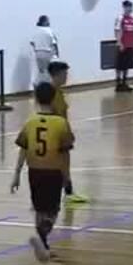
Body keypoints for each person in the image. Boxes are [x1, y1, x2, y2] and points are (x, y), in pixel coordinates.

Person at [10, 82, 75, 263]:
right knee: (52, 211)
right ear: (54, 98)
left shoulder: (30, 122)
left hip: (34, 171)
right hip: (53, 171)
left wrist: (16, 174)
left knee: (39, 209)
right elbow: (65, 153)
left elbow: (23, 148)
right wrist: (67, 176)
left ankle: (44, 247)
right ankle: (42, 236)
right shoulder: (61, 123)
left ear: (36, 98)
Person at [46, 61, 89, 205]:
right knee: (60, 165)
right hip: (56, 134)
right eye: (64, 74)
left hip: (61, 133)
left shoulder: (58, 92)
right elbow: (55, 115)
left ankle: (67, 192)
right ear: (57, 75)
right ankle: (60, 194)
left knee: (64, 164)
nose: (66, 77)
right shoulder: (51, 93)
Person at [114, 0, 133, 92]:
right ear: (124, 7)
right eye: (128, 7)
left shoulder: (132, 19)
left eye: (131, 7)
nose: (130, 9)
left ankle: (124, 82)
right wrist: (119, 42)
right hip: (123, 45)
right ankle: (118, 83)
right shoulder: (120, 18)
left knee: (127, 65)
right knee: (120, 64)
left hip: (130, 45)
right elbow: (117, 30)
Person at [30, 15, 58, 88]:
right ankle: (48, 87)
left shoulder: (36, 30)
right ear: (45, 22)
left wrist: (36, 48)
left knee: (41, 70)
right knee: (49, 70)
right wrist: (56, 54)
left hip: (38, 52)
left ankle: (37, 84)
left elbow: (32, 42)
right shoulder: (49, 30)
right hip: (47, 52)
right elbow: (54, 43)